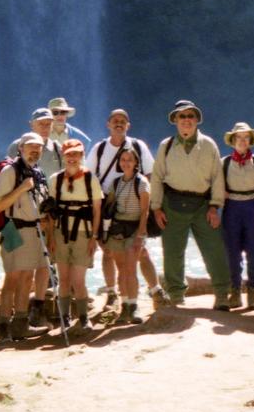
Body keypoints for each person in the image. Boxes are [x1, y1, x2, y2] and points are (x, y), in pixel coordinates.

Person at [150, 100, 231, 310]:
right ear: (175, 120)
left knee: (214, 249)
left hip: (203, 205)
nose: (186, 120)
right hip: (172, 203)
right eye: (182, 116)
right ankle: (176, 296)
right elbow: (157, 178)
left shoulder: (209, 145)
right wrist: (156, 208)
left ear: (196, 120)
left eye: (190, 116)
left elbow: (217, 178)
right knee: (173, 251)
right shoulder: (165, 146)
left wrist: (215, 206)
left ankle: (222, 294)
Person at [87, 108, 168, 309]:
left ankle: (155, 290)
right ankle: (112, 292)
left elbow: (150, 175)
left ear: (128, 125)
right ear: (108, 124)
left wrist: (150, 203)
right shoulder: (99, 149)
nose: (119, 123)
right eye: (115, 120)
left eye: (123, 120)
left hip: (134, 202)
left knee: (141, 250)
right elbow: (88, 177)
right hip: (107, 204)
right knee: (107, 250)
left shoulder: (138, 146)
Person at [8, 108, 64, 328]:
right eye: (41, 123)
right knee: (23, 267)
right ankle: (18, 314)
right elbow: (9, 176)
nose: (46, 126)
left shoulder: (57, 149)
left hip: (48, 212)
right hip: (23, 214)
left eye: (49, 123)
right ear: (31, 124)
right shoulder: (17, 146)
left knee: (47, 262)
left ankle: (38, 309)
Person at [0, 131, 53, 340]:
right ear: (21, 148)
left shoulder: (38, 173)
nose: (35, 150)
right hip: (15, 229)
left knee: (27, 277)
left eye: (38, 147)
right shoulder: (10, 172)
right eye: (30, 147)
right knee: (12, 277)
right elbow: (0, 205)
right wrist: (21, 189)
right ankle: (3, 328)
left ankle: (20, 324)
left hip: (35, 231)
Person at [46, 139, 103, 334]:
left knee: (78, 280)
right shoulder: (56, 179)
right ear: (63, 156)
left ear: (81, 155)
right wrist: (51, 238)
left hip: (83, 234)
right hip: (60, 233)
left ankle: (83, 318)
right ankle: (64, 318)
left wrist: (94, 237)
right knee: (63, 279)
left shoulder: (90, 179)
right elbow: (52, 211)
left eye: (76, 154)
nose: (72, 158)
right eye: (69, 154)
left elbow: (97, 210)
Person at [220, 122, 254, 310]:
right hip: (231, 208)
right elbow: (217, 187)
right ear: (232, 141)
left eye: (245, 138)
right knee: (231, 252)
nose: (242, 141)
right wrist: (219, 198)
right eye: (238, 138)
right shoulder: (224, 163)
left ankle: (253, 291)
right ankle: (235, 291)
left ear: (250, 141)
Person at [103, 146, 151, 323]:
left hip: (134, 230)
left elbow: (145, 211)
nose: (126, 163)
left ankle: (134, 306)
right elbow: (109, 206)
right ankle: (125, 307)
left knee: (131, 270)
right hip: (118, 229)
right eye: (123, 160)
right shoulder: (116, 183)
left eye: (129, 160)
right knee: (122, 270)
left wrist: (140, 236)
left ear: (136, 162)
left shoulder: (142, 183)